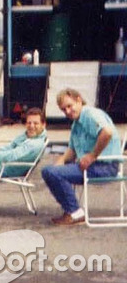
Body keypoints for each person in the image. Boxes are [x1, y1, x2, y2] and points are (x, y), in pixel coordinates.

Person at [41, 88, 122, 226]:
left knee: (51, 173)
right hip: (91, 166)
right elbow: (72, 150)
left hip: (105, 166)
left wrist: (93, 155)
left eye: (69, 106)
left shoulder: (90, 114)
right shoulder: (76, 124)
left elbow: (107, 132)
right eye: (63, 109)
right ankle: (71, 211)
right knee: (50, 171)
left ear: (78, 100)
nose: (67, 111)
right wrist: (60, 161)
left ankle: (75, 213)